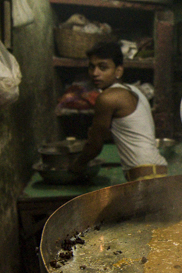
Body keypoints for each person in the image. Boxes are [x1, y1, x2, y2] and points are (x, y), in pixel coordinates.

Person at [72, 42, 169, 181]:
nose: (95, 73)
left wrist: (76, 165)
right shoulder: (133, 90)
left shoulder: (107, 98)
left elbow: (95, 145)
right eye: (92, 67)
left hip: (143, 174)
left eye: (103, 67)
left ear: (118, 71)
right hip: (158, 169)